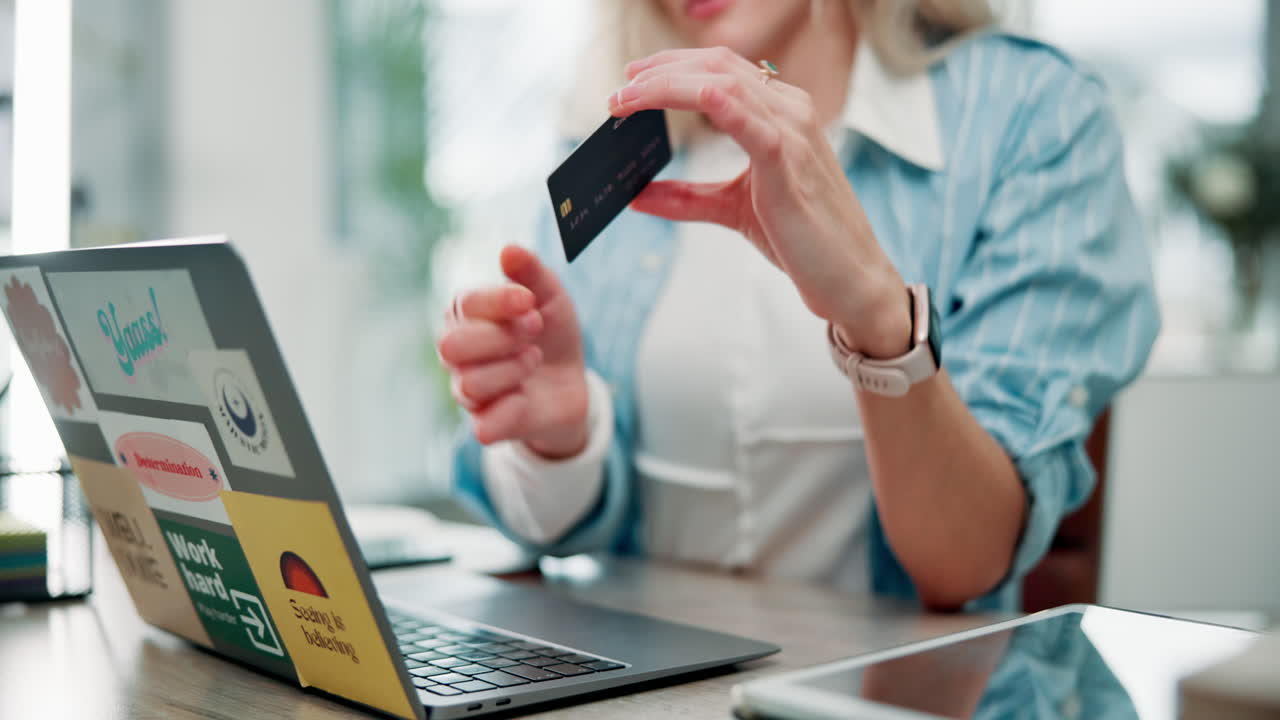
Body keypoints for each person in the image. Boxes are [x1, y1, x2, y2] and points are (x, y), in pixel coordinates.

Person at [437, 0, 1160, 611]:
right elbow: (559, 532)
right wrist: (560, 441)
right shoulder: (621, 142)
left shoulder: (1031, 117)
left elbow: (964, 562)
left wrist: (877, 315)